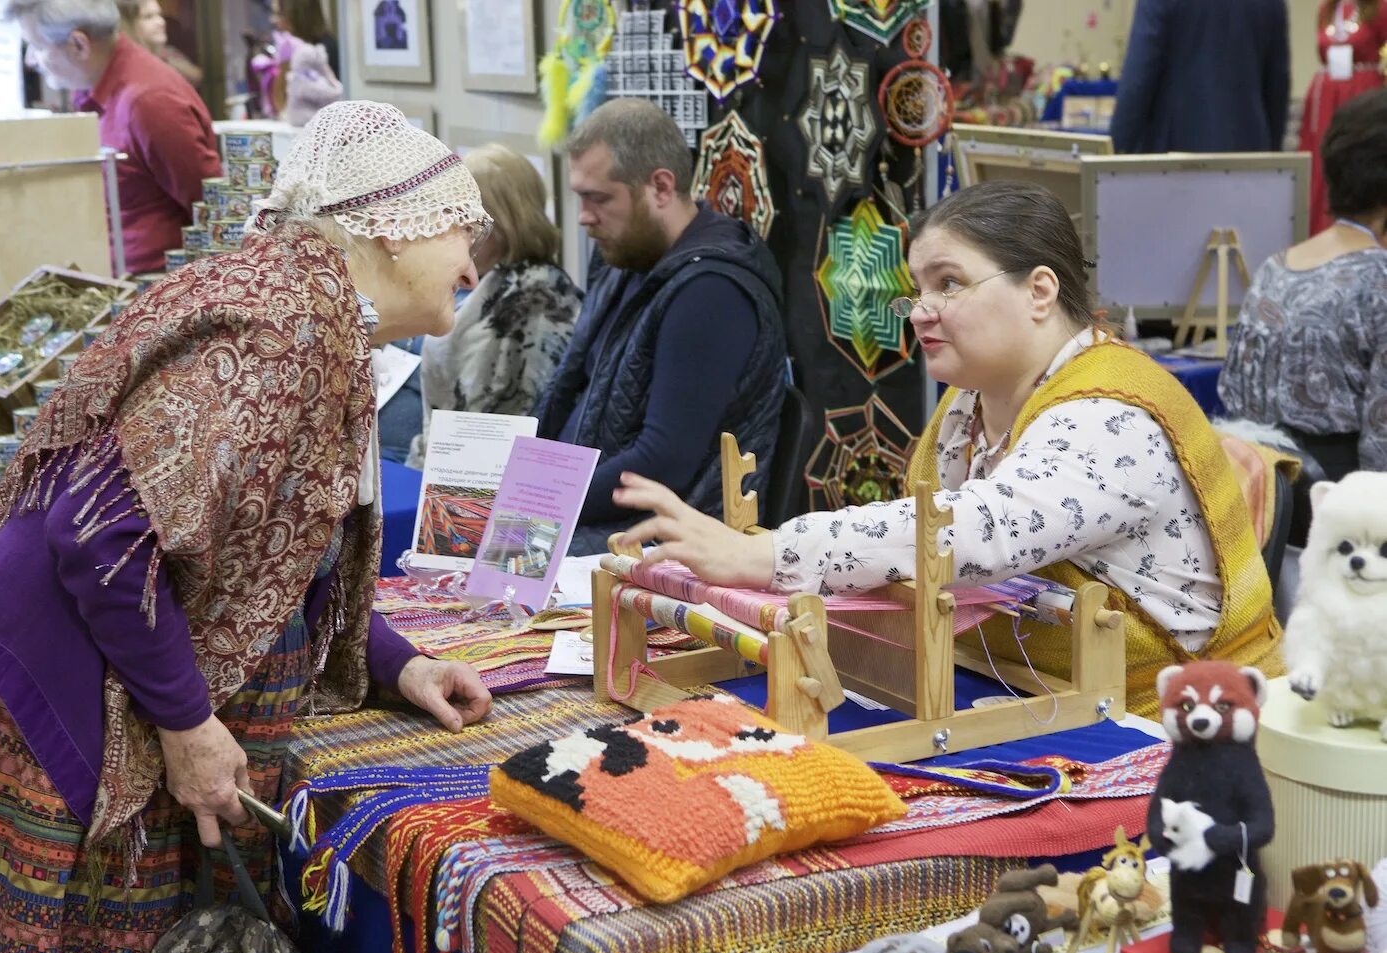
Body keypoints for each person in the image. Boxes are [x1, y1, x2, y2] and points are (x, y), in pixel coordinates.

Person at [0, 101, 495, 953]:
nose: (474, 249)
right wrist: (186, 723)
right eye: (460, 221)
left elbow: (270, 546)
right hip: (63, 691)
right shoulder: (286, 330)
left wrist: (396, 663)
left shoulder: (304, 309)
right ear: (386, 225)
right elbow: (103, 531)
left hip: (61, 666)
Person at [609, 182, 1283, 720]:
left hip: (1185, 726)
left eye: (950, 284)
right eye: (919, 289)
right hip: (1039, 690)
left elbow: (972, 532)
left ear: (1040, 291)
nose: (921, 311)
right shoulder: (973, 403)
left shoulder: (1111, 416)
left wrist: (762, 554)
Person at [539, 98, 788, 556]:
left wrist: (539, 498)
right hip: (597, 520)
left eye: (599, 198)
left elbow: (661, 461)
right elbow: (570, 386)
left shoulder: (712, 290)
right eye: (580, 197)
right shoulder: (623, 255)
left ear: (660, 186)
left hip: (660, 543)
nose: (583, 217)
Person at [1221, 89, 1387, 503]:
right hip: (1343, 513)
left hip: (1260, 502)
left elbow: (1233, 403)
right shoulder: (1379, 279)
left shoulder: (1275, 267)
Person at [14, 0, 221, 276]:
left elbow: (214, 210)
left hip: (156, 296)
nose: (31, 61)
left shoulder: (149, 102)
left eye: (37, 47)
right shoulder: (91, 87)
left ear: (79, 45)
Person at [407, 144, 582, 469]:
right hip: (450, 467)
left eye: (468, 221)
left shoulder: (531, 301)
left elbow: (490, 428)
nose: (457, 233)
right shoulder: (502, 285)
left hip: (476, 483)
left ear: (502, 222)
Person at [1109, 0, 1290, 154]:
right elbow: (1277, 89)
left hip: (1176, 160)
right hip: (1249, 155)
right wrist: (1271, 156)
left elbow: (1137, 84)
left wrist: (1113, 157)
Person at [1298, 1, 1387, 234]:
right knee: (1320, 164)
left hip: (1361, 94)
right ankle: (1316, 231)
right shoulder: (1327, 8)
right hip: (1325, 98)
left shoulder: (1380, 8)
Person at [115, 0, 203, 88]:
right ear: (127, 24)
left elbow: (197, 77)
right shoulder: (122, 61)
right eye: (149, 17)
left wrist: (163, 59)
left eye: (160, 15)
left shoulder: (166, 53)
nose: (161, 22)